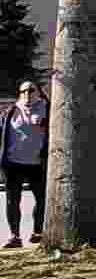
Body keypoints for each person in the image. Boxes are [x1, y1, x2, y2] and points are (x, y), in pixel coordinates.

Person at [3, 79, 42, 246]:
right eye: (23, 91)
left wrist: (44, 123)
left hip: (37, 163)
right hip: (13, 163)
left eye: (31, 90)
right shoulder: (12, 110)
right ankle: (15, 236)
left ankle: (38, 231)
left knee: (42, 199)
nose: (27, 94)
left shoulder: (46, 108)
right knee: (12, 201)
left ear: (38, 92)